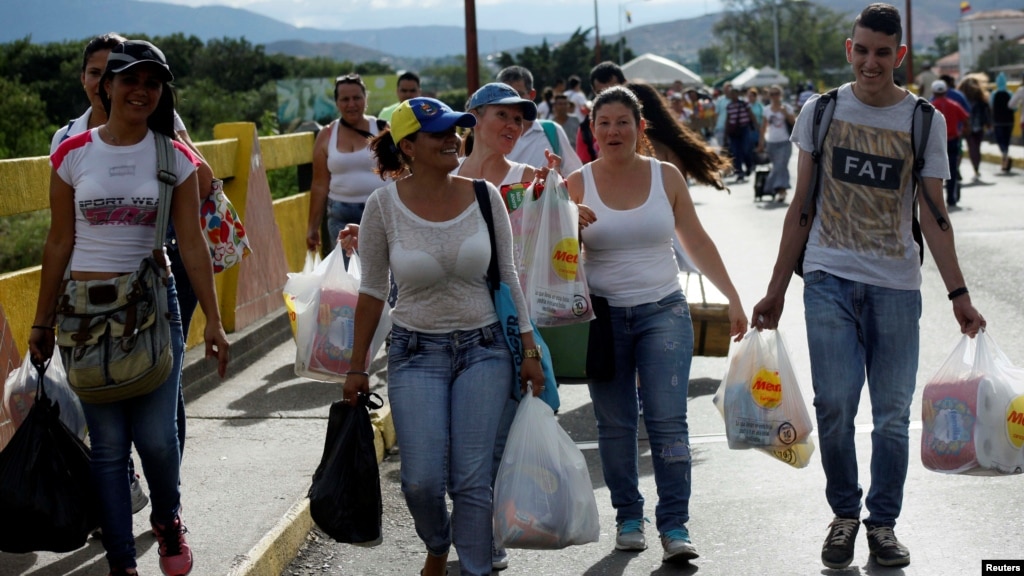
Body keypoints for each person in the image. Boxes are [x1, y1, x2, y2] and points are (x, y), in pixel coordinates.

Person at [751, 4, 985, 570]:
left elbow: (934, 215)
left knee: (890, 414)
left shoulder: (924, 120)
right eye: (862, 50)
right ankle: (844, 515)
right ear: (849, 48)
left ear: (899, 55)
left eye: (883, 52)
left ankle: (882, 523)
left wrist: (959, 294)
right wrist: (776, 288)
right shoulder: (822, 110)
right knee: (833, 406)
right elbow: (800, 206)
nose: (871, 61)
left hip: (897, 287)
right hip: (829, 277)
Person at [30, 39, 231, 576]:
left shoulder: (175, 157)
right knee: (109, 448)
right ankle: (123, 563)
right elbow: (57, 243)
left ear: (161, 92)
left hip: (151, 307)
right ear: (106, 86)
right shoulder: (71, 155)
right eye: (129, 81)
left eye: (152, 83)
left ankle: (167, 518)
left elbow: (191, 244)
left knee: (160, 440)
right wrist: (42, 320)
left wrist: (213, 320)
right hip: (84, 315)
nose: (141, 91)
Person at [343, 97, 545, 576]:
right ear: (408, 146)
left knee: (472, 480)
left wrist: (529, 347)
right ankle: (437, 544)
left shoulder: (483, 195)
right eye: (438, 133)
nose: (452, 139)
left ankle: (474, 567)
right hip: (415, 353)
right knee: (421, 481)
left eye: (456, 130)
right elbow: (372, 291)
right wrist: (357, 366)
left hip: (485, 349)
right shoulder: (382, 205)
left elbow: (509, 274)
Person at [566, 85, 747, 565]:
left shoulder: (666, 176)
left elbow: (697, 240)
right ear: (592, 130)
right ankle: (629, 517)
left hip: (662, 311)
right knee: (616, 423)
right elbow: (554, 261)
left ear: (640, 128)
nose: (612, 131)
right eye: (603, 123)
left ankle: (674, 525)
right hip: (601, 318)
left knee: (669, 421)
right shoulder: (576, 184)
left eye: (622, 121)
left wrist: (732, 297)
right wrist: (568, 226)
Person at [457, 81, 553, 572]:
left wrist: (567, 211)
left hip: (514, 326)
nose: (513, 127)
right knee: (464, 448)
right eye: (502, 116)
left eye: (520, 120)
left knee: (496, 441)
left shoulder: (529, 179)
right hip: (456, 326)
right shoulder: (446, 179)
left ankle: (489, 539)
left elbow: (555, 235)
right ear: (472, 117)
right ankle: (475, 536)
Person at [306, 73, 390, 257]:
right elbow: (320, 184)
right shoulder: (326, 135)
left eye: (357, 98)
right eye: (345, 99)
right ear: (336, 103)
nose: (351, 104)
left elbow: (402, 173)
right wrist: (312, 228)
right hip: (341, 216)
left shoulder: (383, 130)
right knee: (347, 278)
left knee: (381, 273)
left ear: (365, 99)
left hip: (381, 214)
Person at [497, 66, 583, 175]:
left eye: (519, 94)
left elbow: (575, 174)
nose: (511, 101)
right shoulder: (491, 135)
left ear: (532, 95)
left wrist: (556, 178)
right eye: (504, 95)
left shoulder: (552, 131)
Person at [931, 79, 969, 207]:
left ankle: (935, 200)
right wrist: (963, 131)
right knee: (952, 169)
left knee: (934, 171)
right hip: (953, 140)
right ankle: (951, 198)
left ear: (933, 92)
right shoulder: (954, 105)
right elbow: (966, 118)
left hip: (936, 142)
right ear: (946, 91)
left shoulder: (930, 107)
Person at [758, 84, 795, 202]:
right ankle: (775, 188)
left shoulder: (787, 108)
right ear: (769, 96)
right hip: (772, 142)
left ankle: (781, 190)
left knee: (781, 165)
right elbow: (763, 127)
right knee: (777, 166)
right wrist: (761, 143)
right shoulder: (766, 110)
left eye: (777, 94)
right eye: (772, 94)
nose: (774, 97)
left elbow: (794, 123)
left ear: (781, 95)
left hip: (785, 141)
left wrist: (785, 113)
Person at [958, 76, 991, 182]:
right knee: (977, 148)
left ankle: (967, 168)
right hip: (979, 126)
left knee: (971, 147)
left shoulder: (961, 97)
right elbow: (987, 111)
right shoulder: (981, 97)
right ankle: (976, 168)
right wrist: (988, 123)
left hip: (967, 126)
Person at [724, 86, 756, 182]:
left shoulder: (744, 104)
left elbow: (751, 115)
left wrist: (756, 127)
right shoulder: (729, 106)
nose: (733, 95)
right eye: (731, 93)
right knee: (735, 152)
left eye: (735, 93)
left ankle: (749, 165)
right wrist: (726, 133)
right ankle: (739, 172)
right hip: (734, 131)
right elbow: (728, 120)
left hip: (744, 128)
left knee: (745, 149)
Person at [990, 72, 1015, 173]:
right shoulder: (1010, 93)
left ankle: (1004, 156)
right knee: (1007, 140)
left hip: (998, 121)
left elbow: (991, 106)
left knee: (1000, 141)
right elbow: (1014, 107)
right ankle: (1005, 157)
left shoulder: (994, 94)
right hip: (1009, 121)